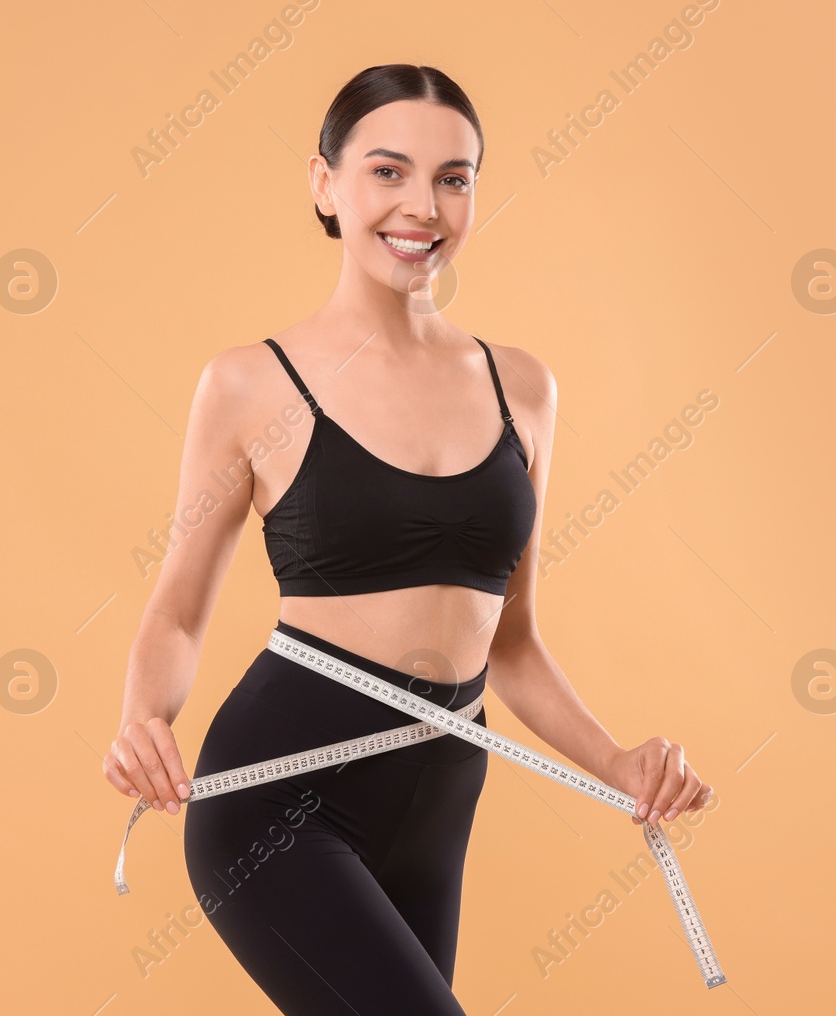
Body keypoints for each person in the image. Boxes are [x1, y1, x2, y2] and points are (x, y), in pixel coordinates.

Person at [102, 63, 713, 1015]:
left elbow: (509, 640)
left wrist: (621, 761)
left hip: (439, 796)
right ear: (325, 185)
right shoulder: (249, 385)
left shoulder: (525, 389)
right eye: (387, 171)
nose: (421, 205)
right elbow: (177, 613)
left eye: (453, 177)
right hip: (277, 798)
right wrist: (144, 721)